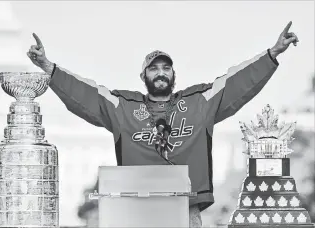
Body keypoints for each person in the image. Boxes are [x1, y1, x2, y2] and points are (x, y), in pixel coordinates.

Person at [27, 21, 298, 227]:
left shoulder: (199, 102)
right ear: (143, 75)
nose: (160, 72)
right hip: (138, 211)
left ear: (174, 74)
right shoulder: (124, 107)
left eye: (166, 67)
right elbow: (87, 93)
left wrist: (272, 54)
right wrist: (49, 68)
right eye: (154, 68)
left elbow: (235, 83)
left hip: (186, 210)